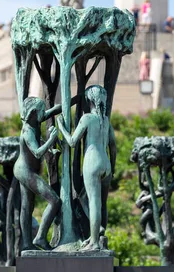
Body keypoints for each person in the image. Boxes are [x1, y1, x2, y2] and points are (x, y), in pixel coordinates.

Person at [56, 85, 114, 251]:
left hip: (92, 161)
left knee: (94, 202)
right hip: (106, 162)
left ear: (89, 100)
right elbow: (113, 146)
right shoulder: (106, 120)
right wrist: (113, 167)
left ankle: (95, 242)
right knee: (85, 198)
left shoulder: (87, 118)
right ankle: (94, 235)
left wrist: (61, 127)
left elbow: (73, 141)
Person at [14, 97, 63, 250]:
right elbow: (36, 153)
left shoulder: (36, 120)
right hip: (25, 171)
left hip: (24, 169)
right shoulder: (28, 130)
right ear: (34, 113)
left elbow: (53, 110)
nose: (44, 113)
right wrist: (51, 140)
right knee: (55, 201)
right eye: (42, 111)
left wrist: (72, 100)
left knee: (27, 206)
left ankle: (27, 243)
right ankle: (40, 237)